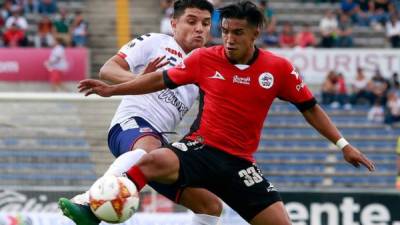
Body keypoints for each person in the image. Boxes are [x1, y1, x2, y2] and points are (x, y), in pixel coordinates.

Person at [78, 1, 376, 224]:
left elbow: (310, 109)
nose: (229, 39)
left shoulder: (279, 69)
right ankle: (92, 207)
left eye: (237, 32)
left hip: (240, 163)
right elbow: (159, 79)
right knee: (151, 159)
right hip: (200, 148)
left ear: (256, 32)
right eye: (225, 32)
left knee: (263, 219)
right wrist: (111, 89)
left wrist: (344, 145)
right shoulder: (204, 58)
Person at [59, 1, 223, 225]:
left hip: (160, 144)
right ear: (174, 24)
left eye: (205, 23)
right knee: (150, 149)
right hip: (131, 126)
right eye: (192, 21)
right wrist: (142, 80)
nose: (199, 29)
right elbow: (109, 69)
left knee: (210, 206)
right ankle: (87, 201)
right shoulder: (155, 42)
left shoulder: (207, 65)